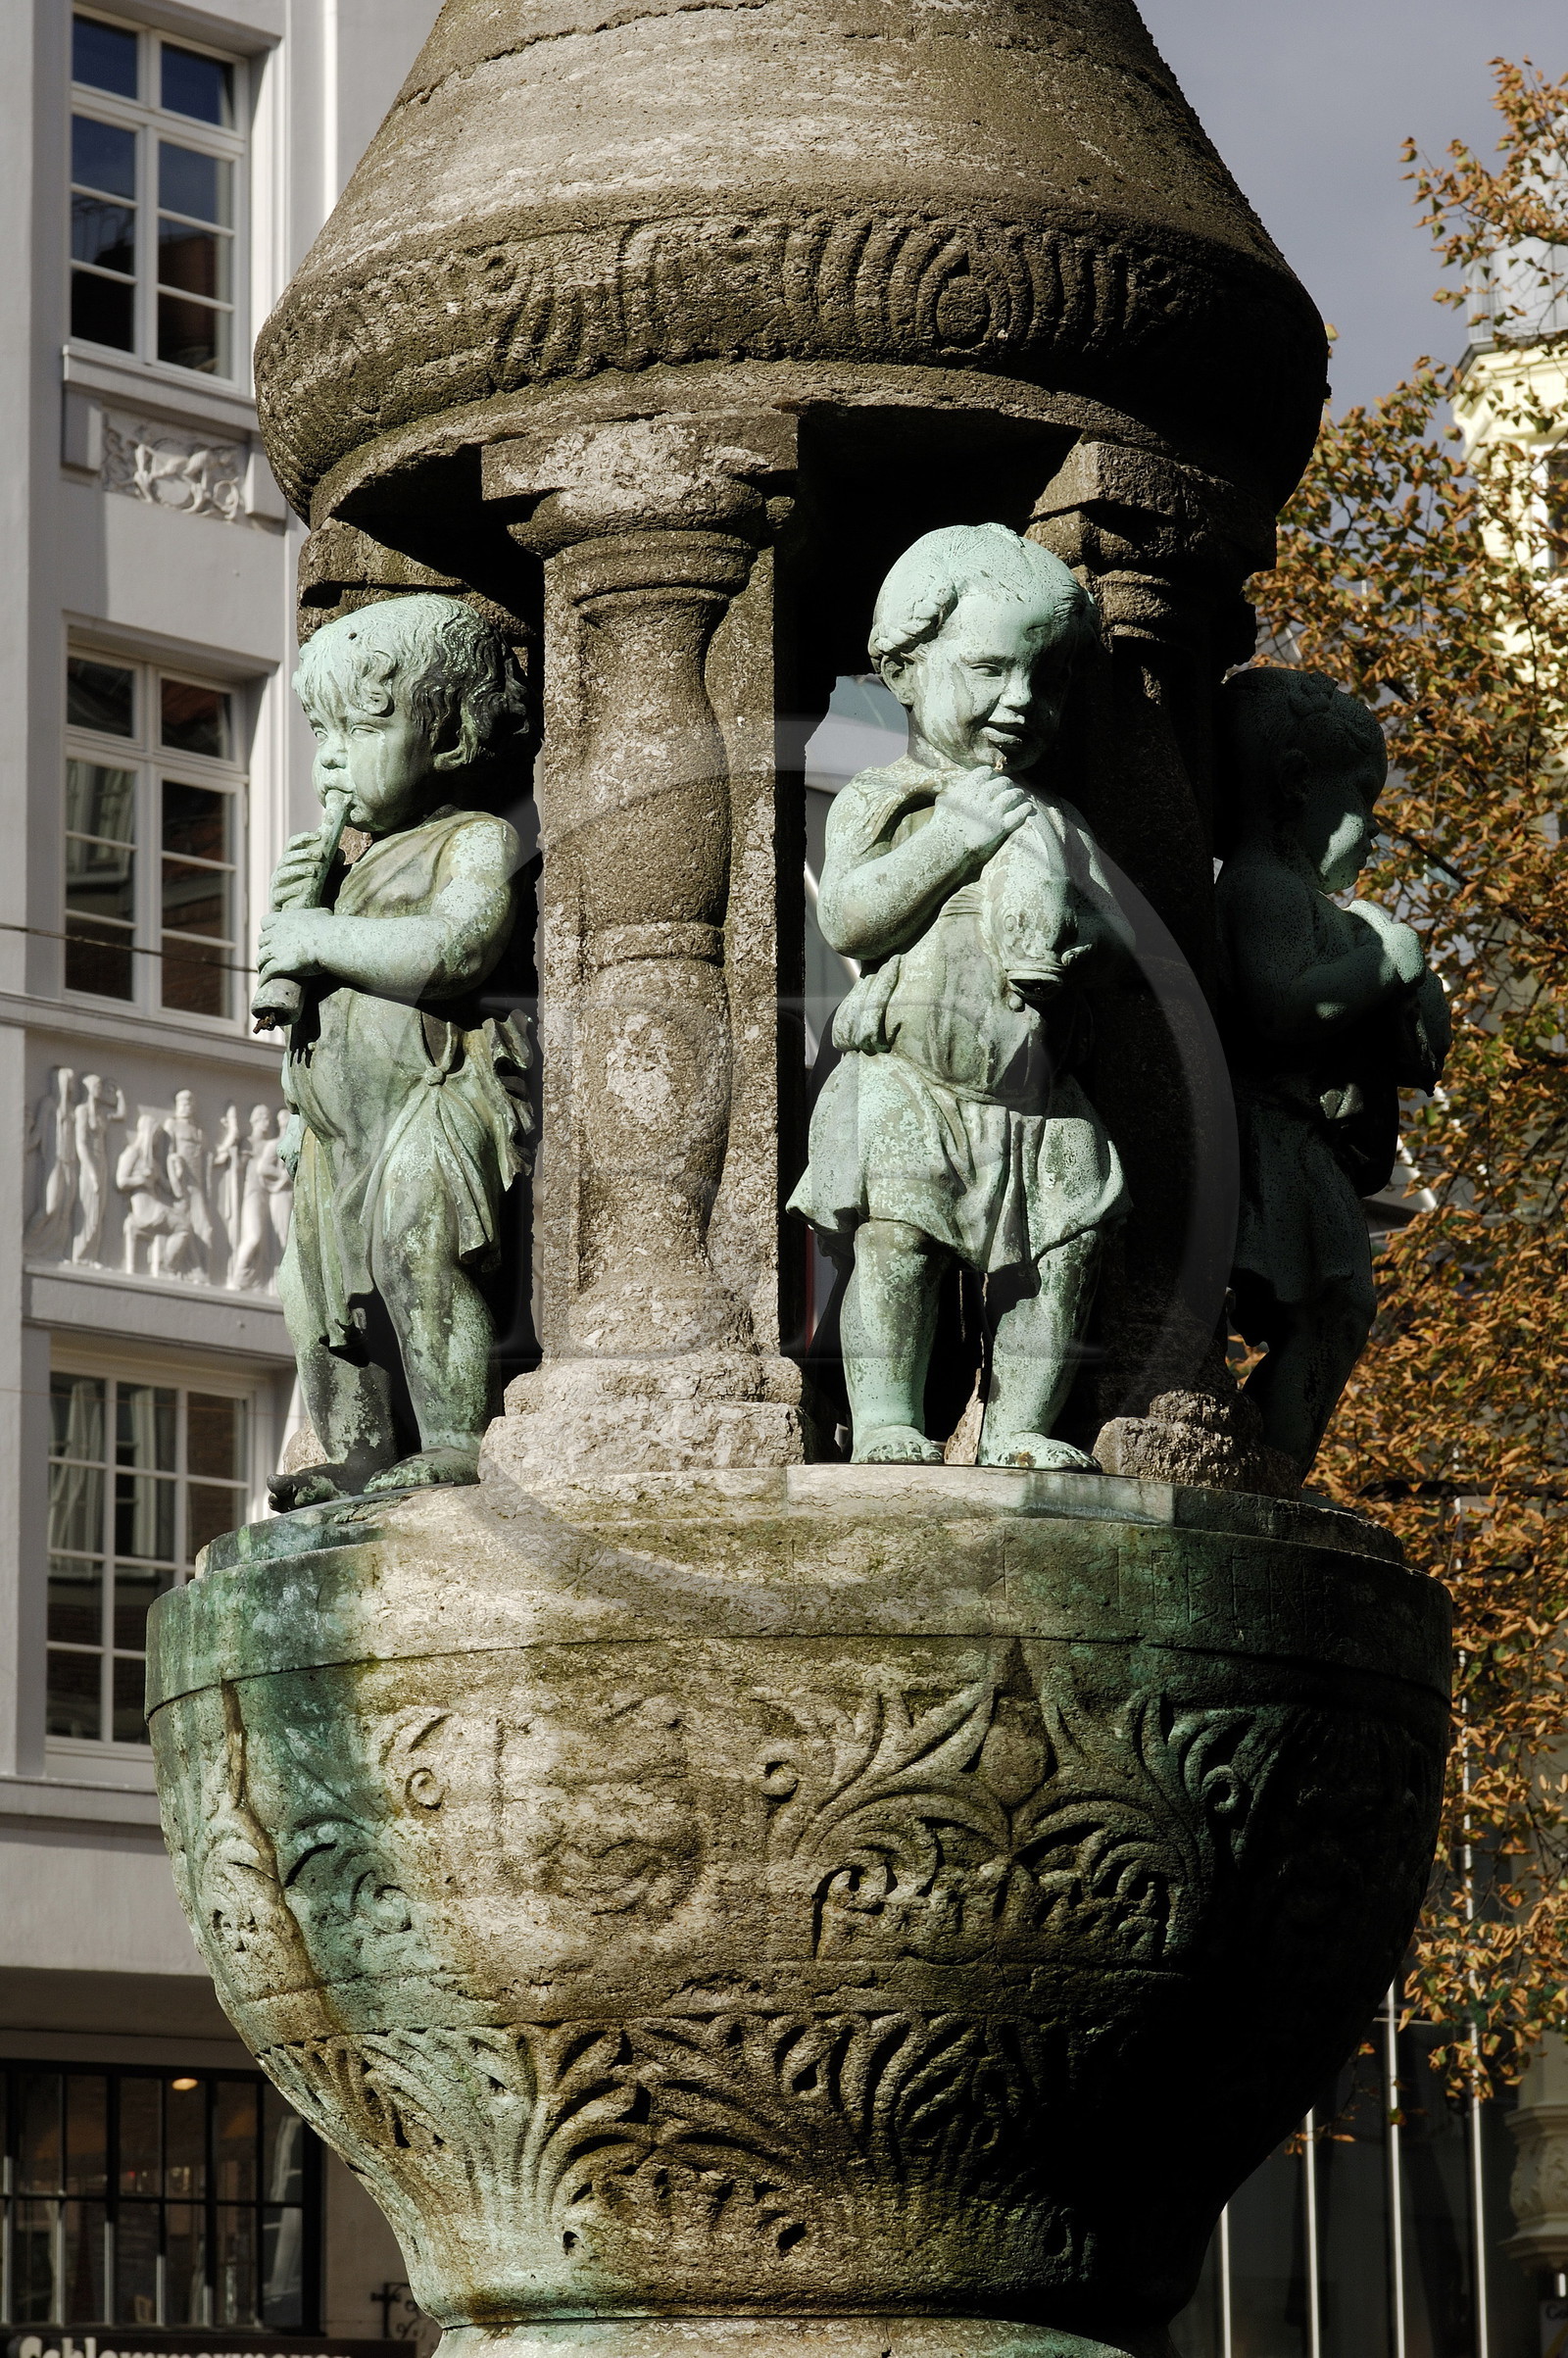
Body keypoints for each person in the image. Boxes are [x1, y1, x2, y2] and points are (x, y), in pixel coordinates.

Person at [788, 523, 1131, 1468]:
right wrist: (957, 841)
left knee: (1060, 1257)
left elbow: (1120, 938)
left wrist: (1075, 945)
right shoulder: (886, 796)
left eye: (1047, 680)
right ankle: (890, 1415)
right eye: (988, 669)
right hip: (912, 1081)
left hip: (1032, 1095)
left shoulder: (1054, 817)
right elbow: (851, 920)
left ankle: (1018, 1427)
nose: (1021, 702)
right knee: (896, 1247)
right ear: (905, 667)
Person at [257, 594, 531, 1505]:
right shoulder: (339, 870)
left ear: (449, 732)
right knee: (318, 1295)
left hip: (432, 1101)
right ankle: (361, 1444)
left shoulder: (474, 840)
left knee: (419, 1247)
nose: (330, 753)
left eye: (361, 724)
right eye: (318, 729)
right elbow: (312, 1027)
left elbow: (456, 948)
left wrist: (318, 938)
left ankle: (453, 1434)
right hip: (340, 1135)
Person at [1216, 667, 1449, 1474]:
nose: (1376, 831)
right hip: (1275, 1140)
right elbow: (1284, 1008)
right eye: (1364, 803)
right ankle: (1267, 1469)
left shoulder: (1319, 908)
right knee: (1324, 1310)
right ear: (1294, 786)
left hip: (1313, 1152)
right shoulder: (1263, 891)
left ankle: (1267, 1465)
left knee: (1336, 1313)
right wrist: (1387, 965)